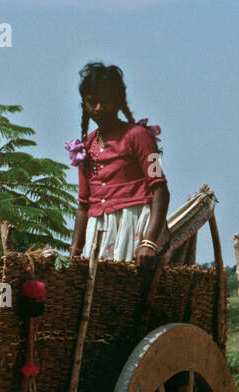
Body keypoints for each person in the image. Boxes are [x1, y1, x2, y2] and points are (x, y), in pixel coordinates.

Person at [66, 62, 169, 263]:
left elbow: (160, 189)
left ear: (118, 102)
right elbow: (83, 205)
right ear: (84, 105)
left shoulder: (139, 137)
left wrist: (148, 242)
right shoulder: (85, 147)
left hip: (136, 227)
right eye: (92, 102)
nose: (99, 108)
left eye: (106, 101)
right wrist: (74, 253)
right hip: (99, 232)